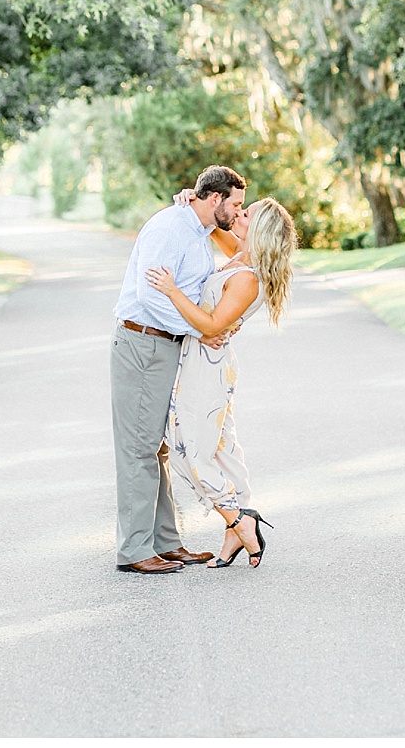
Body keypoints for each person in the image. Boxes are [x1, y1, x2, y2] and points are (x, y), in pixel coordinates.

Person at [145, 195, 296, 569]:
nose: (237, 215)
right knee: (222, 449)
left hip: (207, 369)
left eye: (245, 214)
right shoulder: (241, 255)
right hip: (204, 362)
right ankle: (237, 525)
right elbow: (212, 223)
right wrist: (189, 198)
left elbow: (212, 326)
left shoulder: (247, 278)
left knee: (187, 450)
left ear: (258, 230)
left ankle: (238, 518)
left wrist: (171, 290)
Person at [109, 165, 245, 575]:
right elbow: (150, 296)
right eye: (236, 204)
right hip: (143, 342)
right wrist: (200, 331)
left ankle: (166, 542)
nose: (239, 214)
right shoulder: (169, 228)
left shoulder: (198, 232)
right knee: (138, 447)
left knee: (158, 446)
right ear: (216, 199)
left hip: (169, 346)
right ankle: (134, 550)